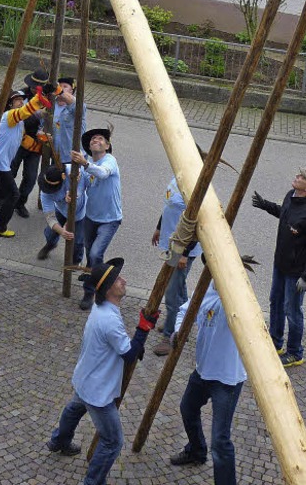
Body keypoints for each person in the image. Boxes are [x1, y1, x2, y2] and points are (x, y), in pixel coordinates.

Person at [47, 257, 159, 485]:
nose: (124, 280)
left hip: (85, 378)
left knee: (74, 408)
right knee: (112, 441)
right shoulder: (108, 319)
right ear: (108, 290)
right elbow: (128, 355)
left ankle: (58, 441)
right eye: (118, 279)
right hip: (97, 391)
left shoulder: (102, 309)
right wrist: (143, 329)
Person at [170, 263, 252, 484]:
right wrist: (179, 331)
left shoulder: (237, 298)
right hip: (203, 370)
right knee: (187, 408)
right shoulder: (205, 289)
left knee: (220, 440)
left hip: (227, 379)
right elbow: (184, 311)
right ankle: (196, 450)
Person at [252, 167, 306, 367]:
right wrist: (265, 205)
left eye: (302, 177)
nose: (297, 176)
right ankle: (275, 343)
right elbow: (284, 214)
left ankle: (295, 352)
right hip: (281, 265)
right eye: (298, 174)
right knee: (275, 302)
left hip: (296, 273)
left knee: (292, 312)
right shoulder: (290, 196)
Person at [0, 84, 52, 237]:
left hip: (1, 162)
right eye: (17, 100)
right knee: (13, 194)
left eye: (22, 99)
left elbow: (30, 117)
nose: (21, 102)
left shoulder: (19, 122)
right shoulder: (10, 116)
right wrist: (41, 96)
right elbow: (26, 111)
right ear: (10, 104)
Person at [151, 174, 202, 355]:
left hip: (181, 248)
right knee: (178, 286)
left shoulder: (194, 186)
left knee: (172, 291)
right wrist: (159, 227)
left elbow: (196, 221)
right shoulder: (176, 178)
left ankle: (170, 335)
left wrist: (184, 254)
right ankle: (183, 322)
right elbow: (169, 207)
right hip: (171, 244)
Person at [71, 126, 122, 311]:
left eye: (100, 139)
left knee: (94, 254)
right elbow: (81, 189)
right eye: (93, 139)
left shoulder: (110, 161)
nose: (95, 140)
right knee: (90, 252)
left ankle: (90, 291)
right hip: (90, 217)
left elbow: (102, 173)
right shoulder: (86, 168)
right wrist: (73, 196)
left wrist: (85, 163)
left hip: (110, 219)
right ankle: (100, 275)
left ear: (107, 146)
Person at [36, 163, 86, 264]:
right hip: (61, 210)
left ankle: (76, 261)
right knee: (50, 233)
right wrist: (62, 231)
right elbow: (50, 217)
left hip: (81, 212)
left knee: (78, 242)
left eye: (54, 188)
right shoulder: (45, 193)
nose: (51, 191)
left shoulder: (71, 171)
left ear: (63, 177)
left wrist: (74, 191)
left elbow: (86, 179)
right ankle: (51, 244)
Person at [11, 111, 49, 219]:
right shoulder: (35, 99)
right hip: (20, 143)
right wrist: (37, 114)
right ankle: (2, 201)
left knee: (31, 178)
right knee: (9, 173)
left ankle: (19, 203)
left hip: (35, 149)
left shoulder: (61, 108)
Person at [52, 76, 87, 163]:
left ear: (71, 91)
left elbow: (78, 106)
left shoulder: (77, 106)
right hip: (55, 155)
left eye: (65, 86)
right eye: (60, 86)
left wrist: (61, 92)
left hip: (72, 157)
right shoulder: (51, 106)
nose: (61, 88)